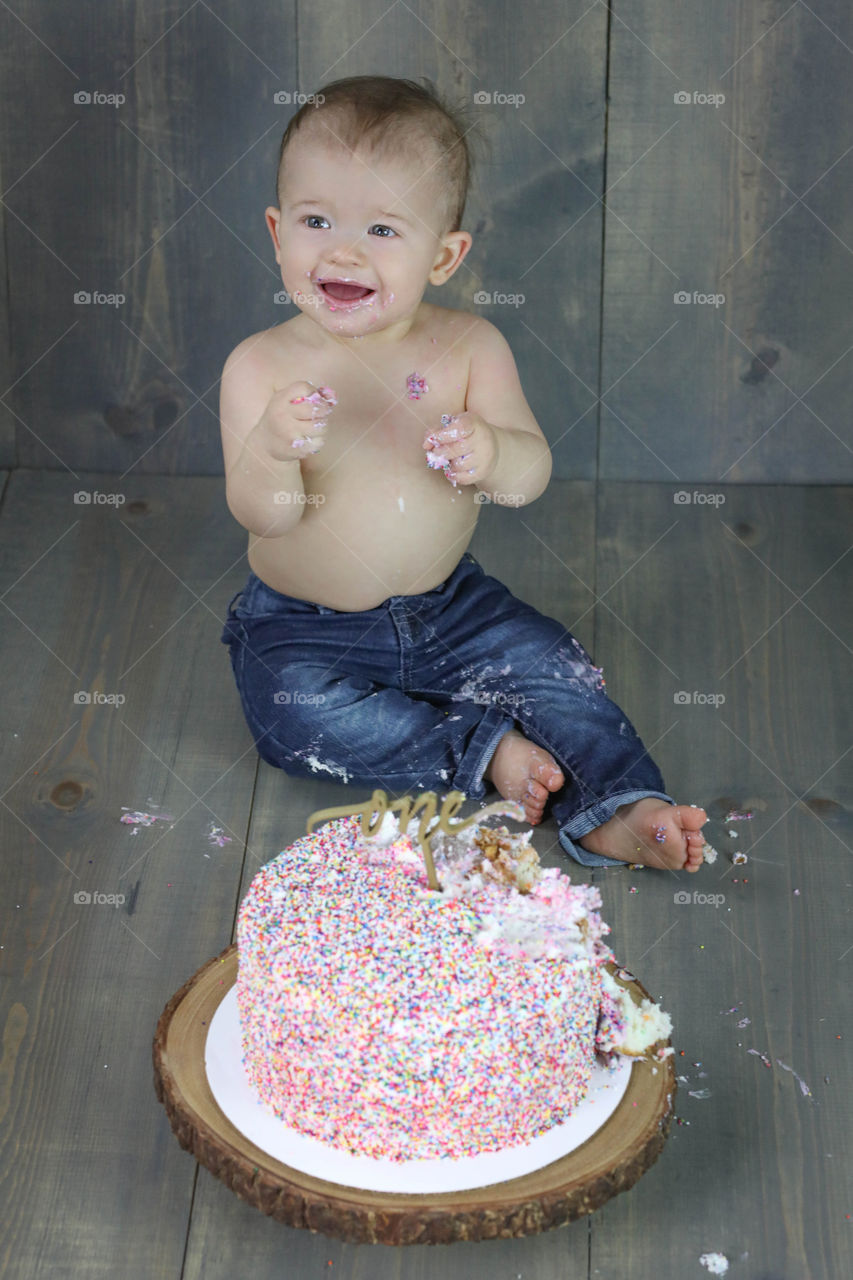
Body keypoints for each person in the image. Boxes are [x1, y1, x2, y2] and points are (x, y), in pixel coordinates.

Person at [219, 75, 708, 872]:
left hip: (450, 608)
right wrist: (273, 450)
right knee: (289, 716)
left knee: (551, 663)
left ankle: (620, 804)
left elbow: (526, 478)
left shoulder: (469, 349)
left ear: (443, 256)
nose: (342, 251)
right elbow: (264, 515)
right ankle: (485, 751)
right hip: (304, 627)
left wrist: (493, 453)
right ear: (277, 234)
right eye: (316, 221)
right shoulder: (259, 368)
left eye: (382, 228)